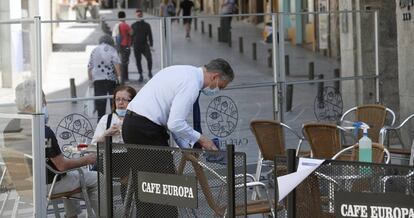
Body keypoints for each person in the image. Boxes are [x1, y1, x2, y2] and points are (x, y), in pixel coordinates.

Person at [121, 58, 234, 217]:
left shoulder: (184, 71)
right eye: (220, 87)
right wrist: (202, 139)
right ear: (215, 77)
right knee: (164, 187)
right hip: (145, 129)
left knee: (147, 187)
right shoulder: (191, 84)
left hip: (134, 125)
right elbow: (175, 123)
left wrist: (185, 146)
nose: (218, 90)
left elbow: (171, 120)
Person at [14, 80, 98, 218]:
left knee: (73, 175)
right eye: (43, 99)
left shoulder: (11, 126)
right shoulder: (42, 131)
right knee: (96, 178)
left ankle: (72, 215)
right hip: (45, 185)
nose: (45, 103)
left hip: (21, 183)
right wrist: (87, 159)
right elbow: (62, 166)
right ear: (36, 101)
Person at [88, 34, 121, 121]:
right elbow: (116, 65)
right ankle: (113, 121)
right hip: (110, 79)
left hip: (98, 80)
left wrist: (90, 80)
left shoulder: (94, 50)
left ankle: (100, 123)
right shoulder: (112, 50)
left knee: (100, 103)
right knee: (112, 102)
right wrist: (119, 78)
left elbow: (89, 67)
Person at [131, 9, 153, 82]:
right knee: (138, 61)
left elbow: (150, 35)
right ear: (135, 15)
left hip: (145, 45)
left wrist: (151, 45)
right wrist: (130, 44)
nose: (139, 15)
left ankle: (149, 72)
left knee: (149, 58)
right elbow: (131, 36)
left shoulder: (147, 25)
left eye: (140, 14)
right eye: (138, 15)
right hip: (136, 45)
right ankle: (140, 75)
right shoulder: (133, 25)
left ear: (142, 15)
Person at [112, 11, 132, 82]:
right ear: (125, 16)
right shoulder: (125, 25)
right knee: (125, 62)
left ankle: (120, 77)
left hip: (118, 46)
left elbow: (113, 36)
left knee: (119, 62)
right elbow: (132, 33)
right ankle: (125, 78)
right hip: (125, 45)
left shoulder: (116, 25)